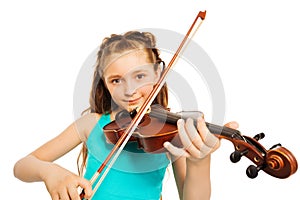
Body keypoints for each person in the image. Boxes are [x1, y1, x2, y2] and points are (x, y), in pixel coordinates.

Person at [14, 31, 238, 200]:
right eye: (116, 80)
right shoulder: (92, 124)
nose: (129, 90)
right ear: (105, 83)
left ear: (158, 73)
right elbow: (22, 165)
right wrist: (49, 172)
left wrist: (200, 162)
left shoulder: (171, 133)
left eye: (140, 76)